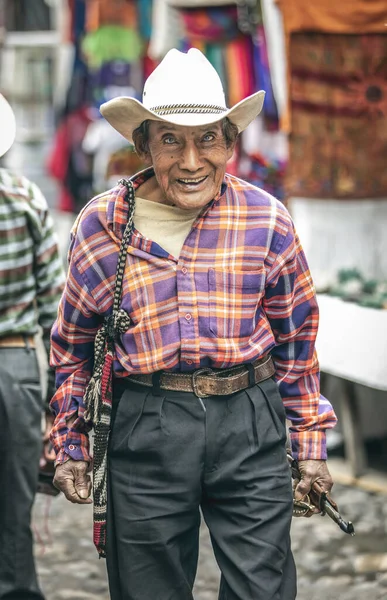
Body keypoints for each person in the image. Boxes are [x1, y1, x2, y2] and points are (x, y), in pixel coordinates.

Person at [50, 49, 337, 600]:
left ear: (231, 143)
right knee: (147, 588)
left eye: (207, 139)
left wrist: (310, 444)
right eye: (170, 140)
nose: (190, 160)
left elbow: (297, 342)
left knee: (265, 587)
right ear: (143, 144)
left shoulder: (266, 218)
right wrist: (71, 444)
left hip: (250, 417)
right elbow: (74, 347)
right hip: (147, 419)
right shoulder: (101, 226)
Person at [0, 94, 65, 600]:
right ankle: (17, 589)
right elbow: (53, 311)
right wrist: (53, 404)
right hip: (16, 363)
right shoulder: (26, 199)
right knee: (15, 497)